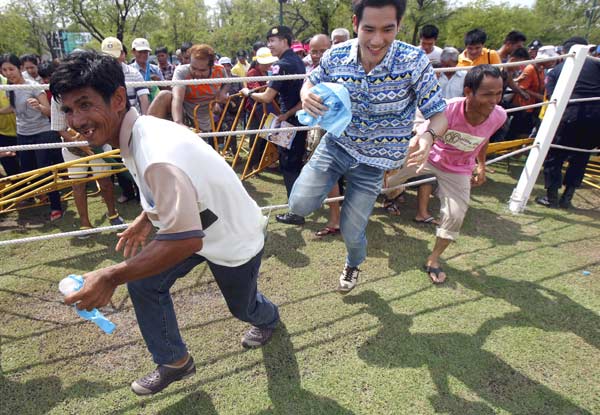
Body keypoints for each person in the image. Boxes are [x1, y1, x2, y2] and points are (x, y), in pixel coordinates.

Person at [51, 50, 280, 396]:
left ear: (116, 99)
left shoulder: (154, 152)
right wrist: (148, 216)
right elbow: (180, 190)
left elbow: (184, 238)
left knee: (243, 307)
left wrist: (110, 275)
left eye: (85, 105)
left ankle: (269, 317)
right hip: (198, 226)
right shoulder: (138, 132)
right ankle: (175, 361)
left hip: (232, 237)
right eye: (68, 109)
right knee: (143, 283)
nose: (76, 120)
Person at [283, 0, 447, 293]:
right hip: (336, 146)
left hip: (374, 163)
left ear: (399, 26)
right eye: (368, 29)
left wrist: (428, 135)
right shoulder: (335, 56)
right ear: (356, 23)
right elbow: (310, 82)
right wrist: (307, 94)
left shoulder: (413, 61)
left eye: (388, 29)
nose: (376, 40)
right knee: (298, 205)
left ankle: (352, 263)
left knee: (352, 230)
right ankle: (329, 194)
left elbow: (438, 114)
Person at [387, 65, 507, 283]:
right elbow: (423, 134)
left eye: (499, 93)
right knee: (387, 183)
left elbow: (484, 138)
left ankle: (433, 259)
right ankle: (382, 198)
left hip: (459, 169)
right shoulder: (448, 109)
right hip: (429, 156)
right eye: (488, 94)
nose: (494, 100)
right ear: (469, 92)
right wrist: (413, 150)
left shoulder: (499, 116)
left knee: (455, 216)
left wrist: (481, 164)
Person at [240, 26, 308, 226]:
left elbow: (267, 96)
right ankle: (298, 205)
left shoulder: (281, 65)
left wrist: (248, 93)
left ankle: (296, 211)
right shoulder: (298, 61)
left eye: (274, 40)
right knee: (295, 163)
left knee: (289, 166)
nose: (269, 45)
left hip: (288, 120)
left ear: (286, 40)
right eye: (268, 40)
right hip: (296, 116)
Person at [535, 37, 600, 209]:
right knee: (581, 156)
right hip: (596, 119)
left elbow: (551, 97)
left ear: (565, 52)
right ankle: (567, 198)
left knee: (554, 156)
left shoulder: (557, 70)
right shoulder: (597, 65)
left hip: (569, 115)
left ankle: (552, 198)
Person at [0, 53, 63, 221]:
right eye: (4, 70)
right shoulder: (8, 88)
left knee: (45, 169)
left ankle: (56, 206)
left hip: (42, 131)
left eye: (11, 69)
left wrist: (39, 106)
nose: (8, 73)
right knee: (28, 171)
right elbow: (13, 109)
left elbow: (49, 111)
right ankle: (42, 196)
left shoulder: (33, 86)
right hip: (23, 133)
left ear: (19, 68)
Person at [148, 44, 228, 134]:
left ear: (212, 66)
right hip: (185, 112)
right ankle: (148, 135)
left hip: (208, 115)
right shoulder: (181, 71)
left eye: (202, 70)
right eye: (193, 68)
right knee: (164, 95)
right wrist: (178, 123)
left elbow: (227, 83)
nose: (197, 73)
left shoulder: (220, 70)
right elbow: (177, 98)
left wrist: (222, 92)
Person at [245, 47, 278, 170]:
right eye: (266, 63)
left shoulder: (267, 73)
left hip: (267, 108)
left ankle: (265, 161)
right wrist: (270, 87)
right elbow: (257, 89)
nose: (269, 65)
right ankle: (253, 164)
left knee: (266, 136)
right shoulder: (252, 73)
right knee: (256, 138)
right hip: (256, 110)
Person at [0, 73, 19, 177]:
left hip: (21, 131)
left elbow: (13, 106)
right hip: (2, 134)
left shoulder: (9, 81)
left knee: (29, 166)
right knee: (11, 168)